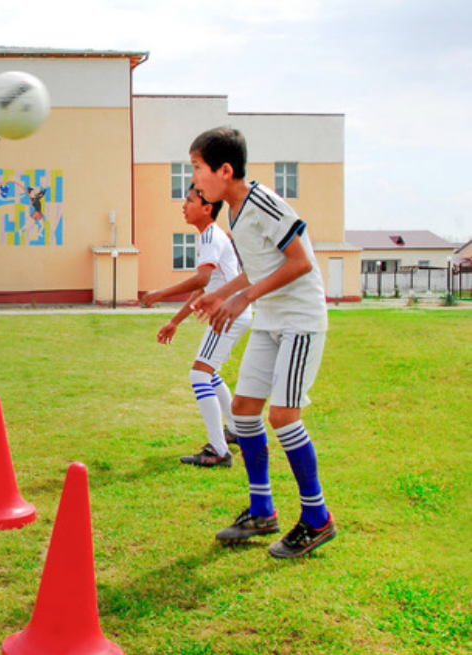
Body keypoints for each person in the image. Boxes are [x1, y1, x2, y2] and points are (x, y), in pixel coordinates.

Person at [189, 126, 336, 559]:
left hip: (300, 321)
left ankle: (317, 518)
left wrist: (243, 297)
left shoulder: (264, 203)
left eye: (197, 169)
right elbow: (260, 266)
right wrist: (220, 293)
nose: (193, 179)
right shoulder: (234, 211)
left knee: (284, 415)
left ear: (225, 170)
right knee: (244, 408)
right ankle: (262, 509)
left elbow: (300, 262)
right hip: (272, 319)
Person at [142, 184, 251, 467]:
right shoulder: (210, 237)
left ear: (207, 208)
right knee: (209, 373)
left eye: (189, 200)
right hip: (233, 312)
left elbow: (202, 281)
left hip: (231, 313)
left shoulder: (210, 237)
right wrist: (175, 321)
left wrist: (160, 293)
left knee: (199, 375)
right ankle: (235, 432)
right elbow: (205, 288)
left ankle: (219, 450)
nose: (183, 204)